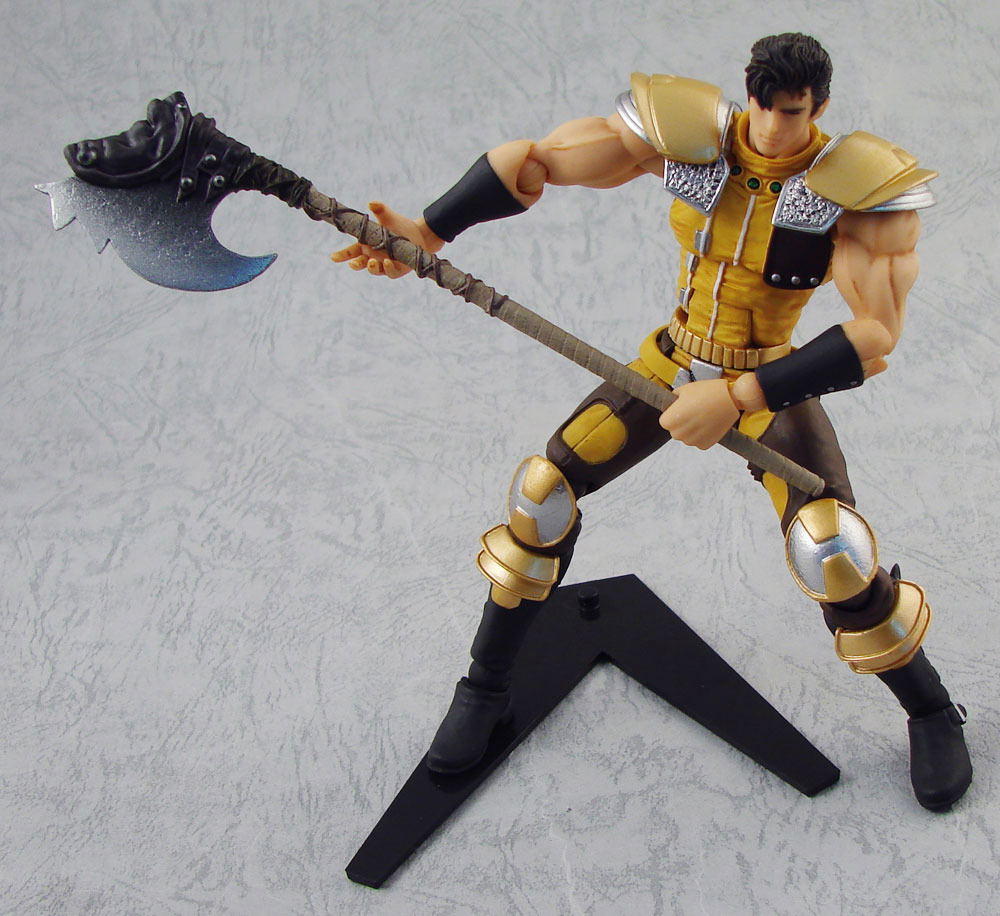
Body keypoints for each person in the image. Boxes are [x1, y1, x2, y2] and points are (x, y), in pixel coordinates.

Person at [332, 33, 972, 811]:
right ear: (749, 92)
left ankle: (930, 709)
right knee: (541, 495)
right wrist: (431, 230)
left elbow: (874, 337)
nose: (775, 127)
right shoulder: (693, 136)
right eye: (766, 107)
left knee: (832, 548)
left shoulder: (853, 185)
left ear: (820, 107)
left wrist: (739, 397)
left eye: (794, 113)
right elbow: (536, 161)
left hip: (766, 381)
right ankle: (485, 688)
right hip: (670, 363)